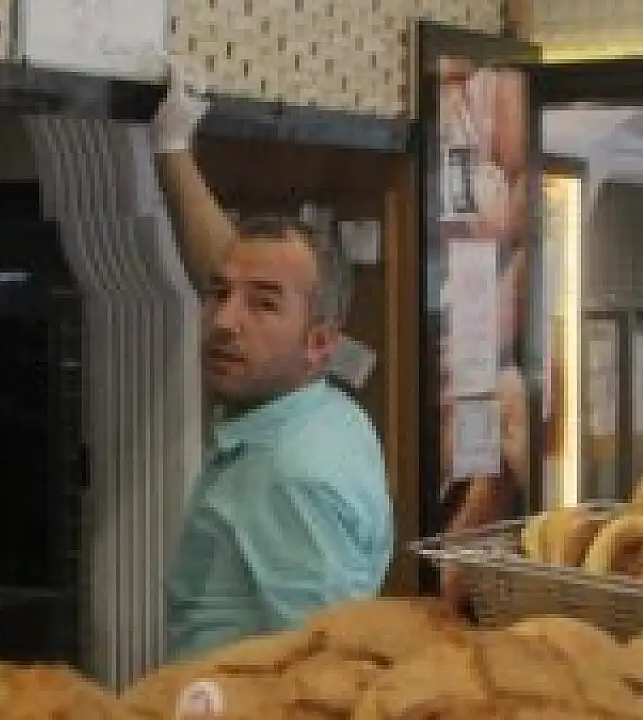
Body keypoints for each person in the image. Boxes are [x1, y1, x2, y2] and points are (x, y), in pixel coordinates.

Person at [151, 61, 393, 662]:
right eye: (219, 294)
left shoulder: (292, 476)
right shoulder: (323, 410)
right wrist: (173, 149)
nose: (224, 320)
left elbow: (325, 674)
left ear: (320, 342)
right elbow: (228, 264)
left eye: (262, 304)